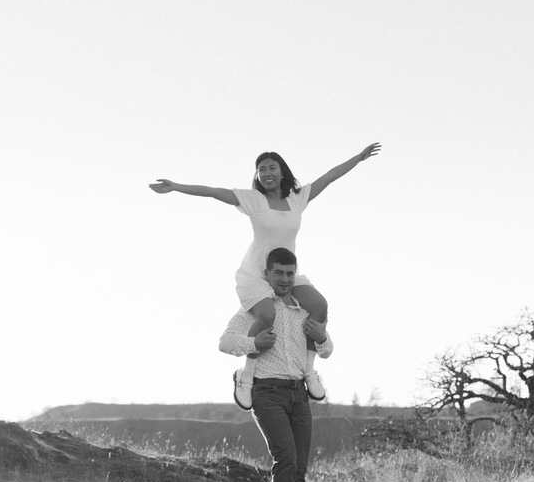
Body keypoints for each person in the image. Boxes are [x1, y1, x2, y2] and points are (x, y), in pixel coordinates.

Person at [149, 142, 378, 406]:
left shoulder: (297, 198)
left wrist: (358, 158)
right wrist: (177, 186)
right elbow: (213, 192)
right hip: (257, 273)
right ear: (257, 176)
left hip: (286, 272)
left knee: (319, 305)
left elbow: (329, 176)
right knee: (267, 314)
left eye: (272, 167)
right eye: (261, 169)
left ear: (282, 173)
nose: (266, 172)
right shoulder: (254, 200)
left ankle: (308, 369)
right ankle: (246, 376)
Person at [219, 246, 333, 482]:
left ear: (296, 276)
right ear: (267, 275)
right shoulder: (257, 308)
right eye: (278, 273)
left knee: (299, 469)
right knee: (286, 459)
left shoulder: (304, 310)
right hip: (266, 393)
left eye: (289, 273)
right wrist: (254, 342)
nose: (284, 279)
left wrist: (321, 335)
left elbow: (327, 349)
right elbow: (225, 342)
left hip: (299, 393)